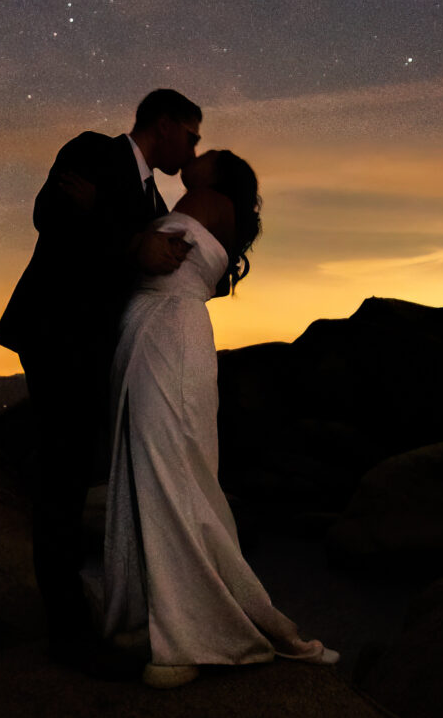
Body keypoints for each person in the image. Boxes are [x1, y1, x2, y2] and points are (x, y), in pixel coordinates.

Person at [99, 147, 339, 688]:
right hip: (160, 329)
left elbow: (150, 254)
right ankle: (161, 613)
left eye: (205, 152)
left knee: (168, 467)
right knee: (162, 464)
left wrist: (119, 230)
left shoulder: (205, 199)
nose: (194, 152)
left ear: (219, 174)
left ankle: (189, 633)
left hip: (167, 331)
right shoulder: (208, 207)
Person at [0, 88, 205, 660]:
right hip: (57, 333)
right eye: (191, 137)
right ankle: (66, 627)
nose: (192, 150)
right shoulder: (92, 150)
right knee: (62, 474)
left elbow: (148, 262)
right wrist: (132, 243)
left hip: (101, 348)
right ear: (165, 124)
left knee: (76, 470)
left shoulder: (154, 199)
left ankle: (81, 606)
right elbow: (50, 217)